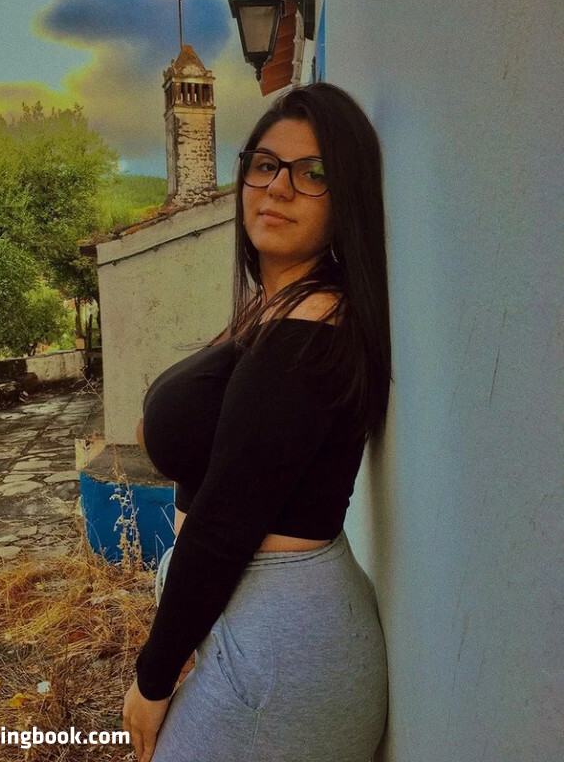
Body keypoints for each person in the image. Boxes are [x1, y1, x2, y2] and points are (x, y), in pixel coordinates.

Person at [122, 82, 392, 762]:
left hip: (278, 648)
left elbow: (224, 522)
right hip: (255, 621)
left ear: (348, 197)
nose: (278, 187)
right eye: (265, 165)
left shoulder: (311, 327)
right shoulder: (279, 307)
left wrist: (152, 679)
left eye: (313, 173)